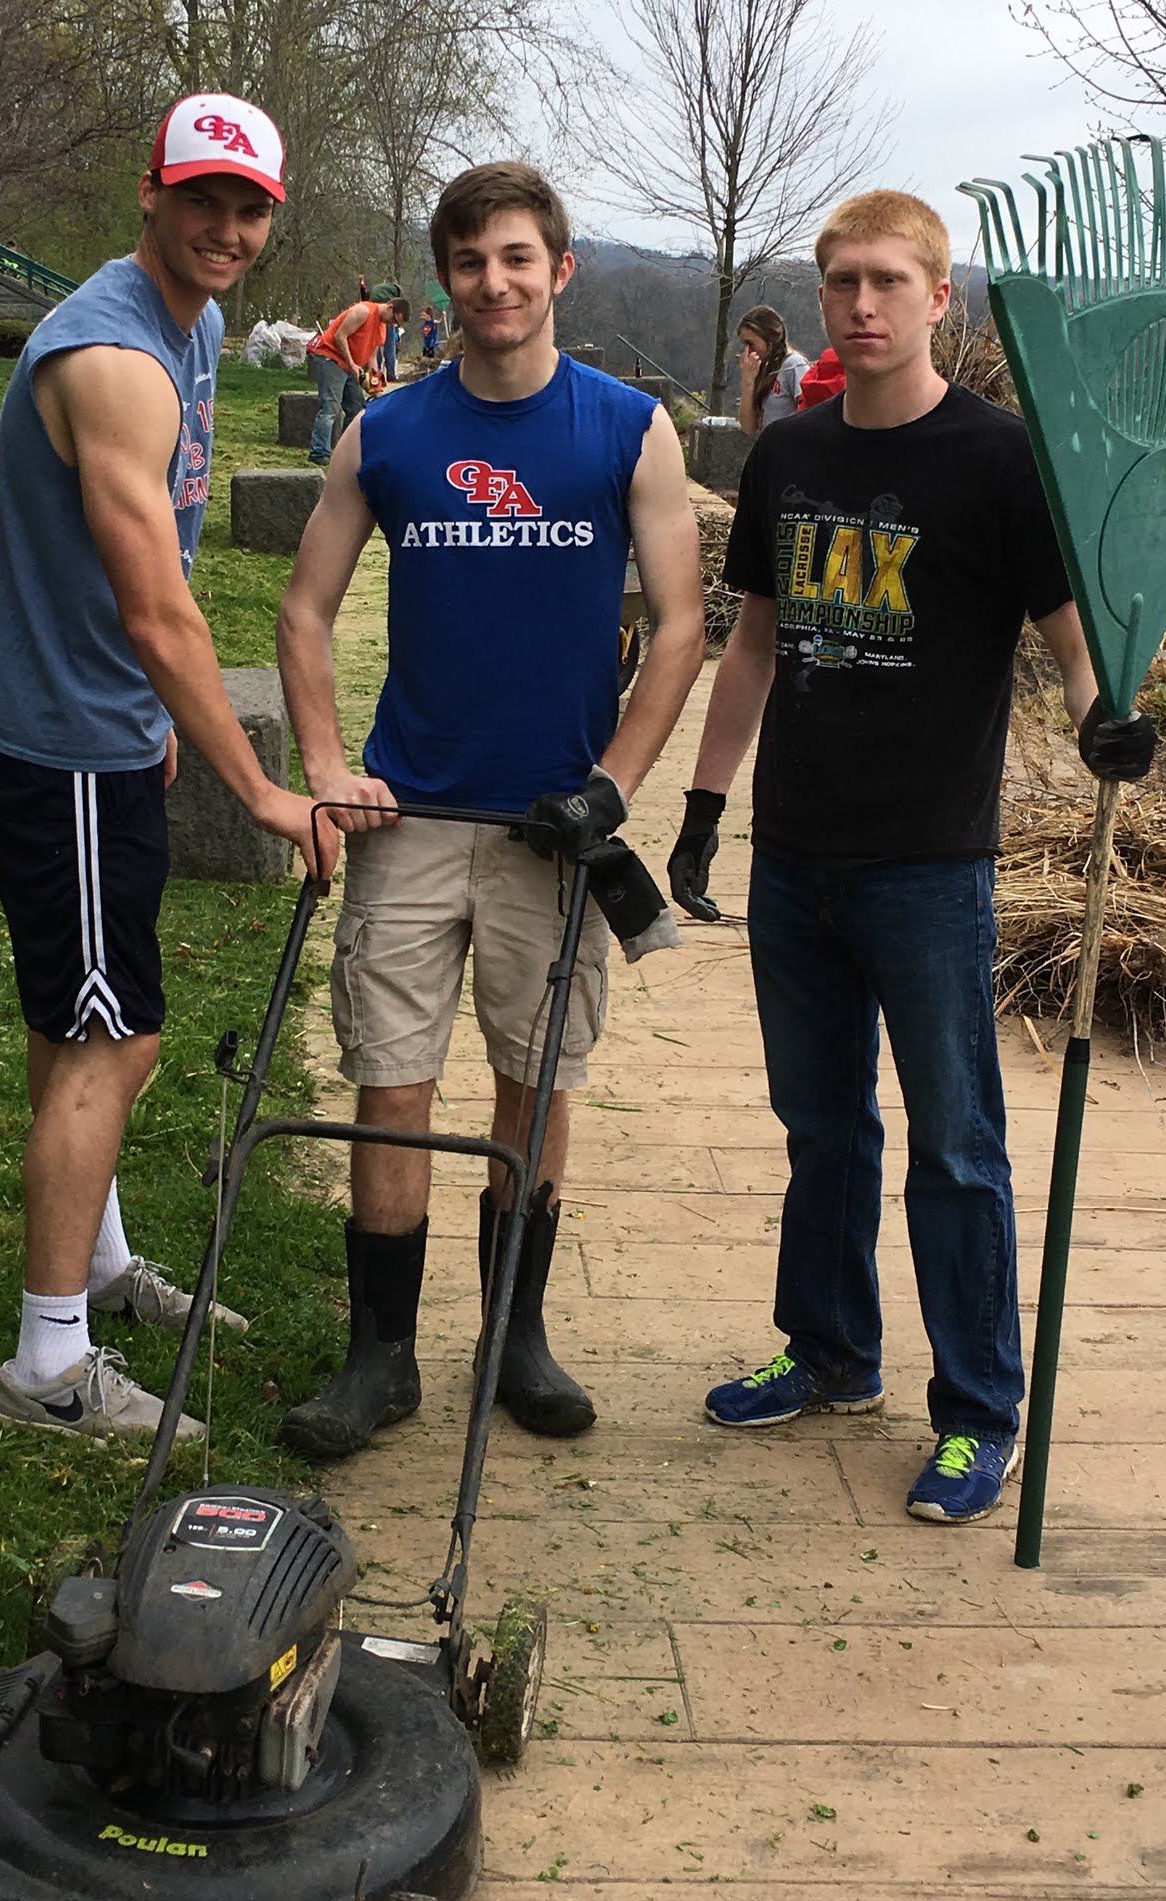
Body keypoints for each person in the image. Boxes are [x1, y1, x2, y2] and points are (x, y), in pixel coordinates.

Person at [666, 190, 1156, 1523]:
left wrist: (1105, 712)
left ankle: (976, 1410)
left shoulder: (1000, 462)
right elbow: (754, 639)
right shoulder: (788, 455)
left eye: (889, 281)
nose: (863, 304)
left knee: (954, 1146)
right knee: (819, 1125)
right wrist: (704, 809)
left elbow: (1065, 637)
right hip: (796, 854)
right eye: (842, 282)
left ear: (940, 298)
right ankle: (828, 1354)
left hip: (930, 864)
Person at [274, 160, 705, 1460]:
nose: (494, 283)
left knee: (534, 1084)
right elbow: (304, 609)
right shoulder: (388, 432)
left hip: (547, 828)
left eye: (517, 258)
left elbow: (683, 626)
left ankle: (516, 1342)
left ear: (557, 271)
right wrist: (323, 761)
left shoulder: (626, 428)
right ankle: (381, 1359)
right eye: (469, 262)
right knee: (389, 1085)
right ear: (444, 280)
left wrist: (612, 785)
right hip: (406, 819)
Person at [0, 92, 334, 1442]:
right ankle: (46, 1371)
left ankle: (100, 1267)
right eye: (202, 201)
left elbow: (154, 553)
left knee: (81, 1023)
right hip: (60, 743)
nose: (225, 229)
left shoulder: (200, 326)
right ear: (150, 194)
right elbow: (157, 609)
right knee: (115, 1041)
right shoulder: (110, 355)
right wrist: (258, 786)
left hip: (101, 725)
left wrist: (158, 711)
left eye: (249, 209)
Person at [306, 290, 410, 464]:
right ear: (390, 307)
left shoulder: (382, 328)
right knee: (331, 407)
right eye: (394, 320)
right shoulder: (363, 311)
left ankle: (344, 452)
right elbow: (340, 336)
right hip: (331, 358)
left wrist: (376, 386)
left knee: (355, 409)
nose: (392, 324)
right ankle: (319, 452)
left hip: (350, 366)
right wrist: (352, 364)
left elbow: (371, 357)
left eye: (396, 324)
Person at [734, 304, 810, 436]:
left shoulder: (794, 365)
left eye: (750, 343)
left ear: (768, 338)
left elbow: (810, 412)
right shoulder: (764, 369)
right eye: (744, 345)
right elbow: (749, 427)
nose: (747, 351)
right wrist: (748, 381)